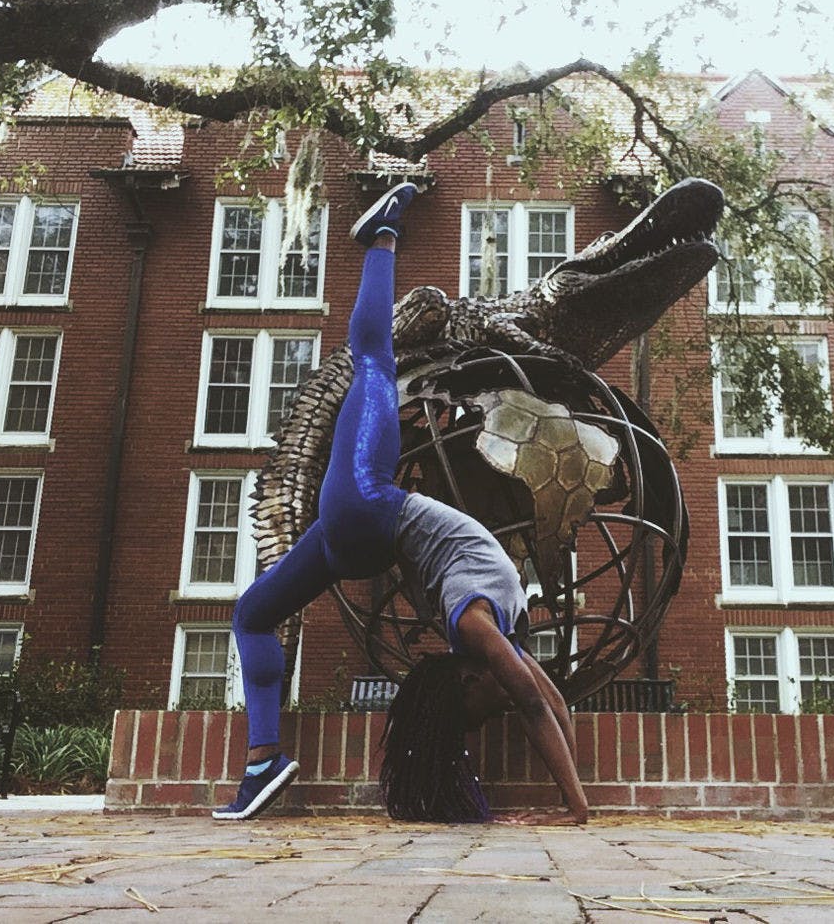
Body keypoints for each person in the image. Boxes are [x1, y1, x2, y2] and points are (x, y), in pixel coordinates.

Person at [214, 183, 587, 825]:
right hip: (360, 534)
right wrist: (577, 808)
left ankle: (382, 236)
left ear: (471, 676)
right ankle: (262, 763)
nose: (496, 707)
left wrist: (574, 807)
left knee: (377, 362)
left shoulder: (484, 630)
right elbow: (544, 703)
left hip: (366, 510)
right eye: (486, 709)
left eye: (479, 714)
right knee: (252, 613)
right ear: (476, 676)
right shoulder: (493, 636)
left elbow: (534, 702)